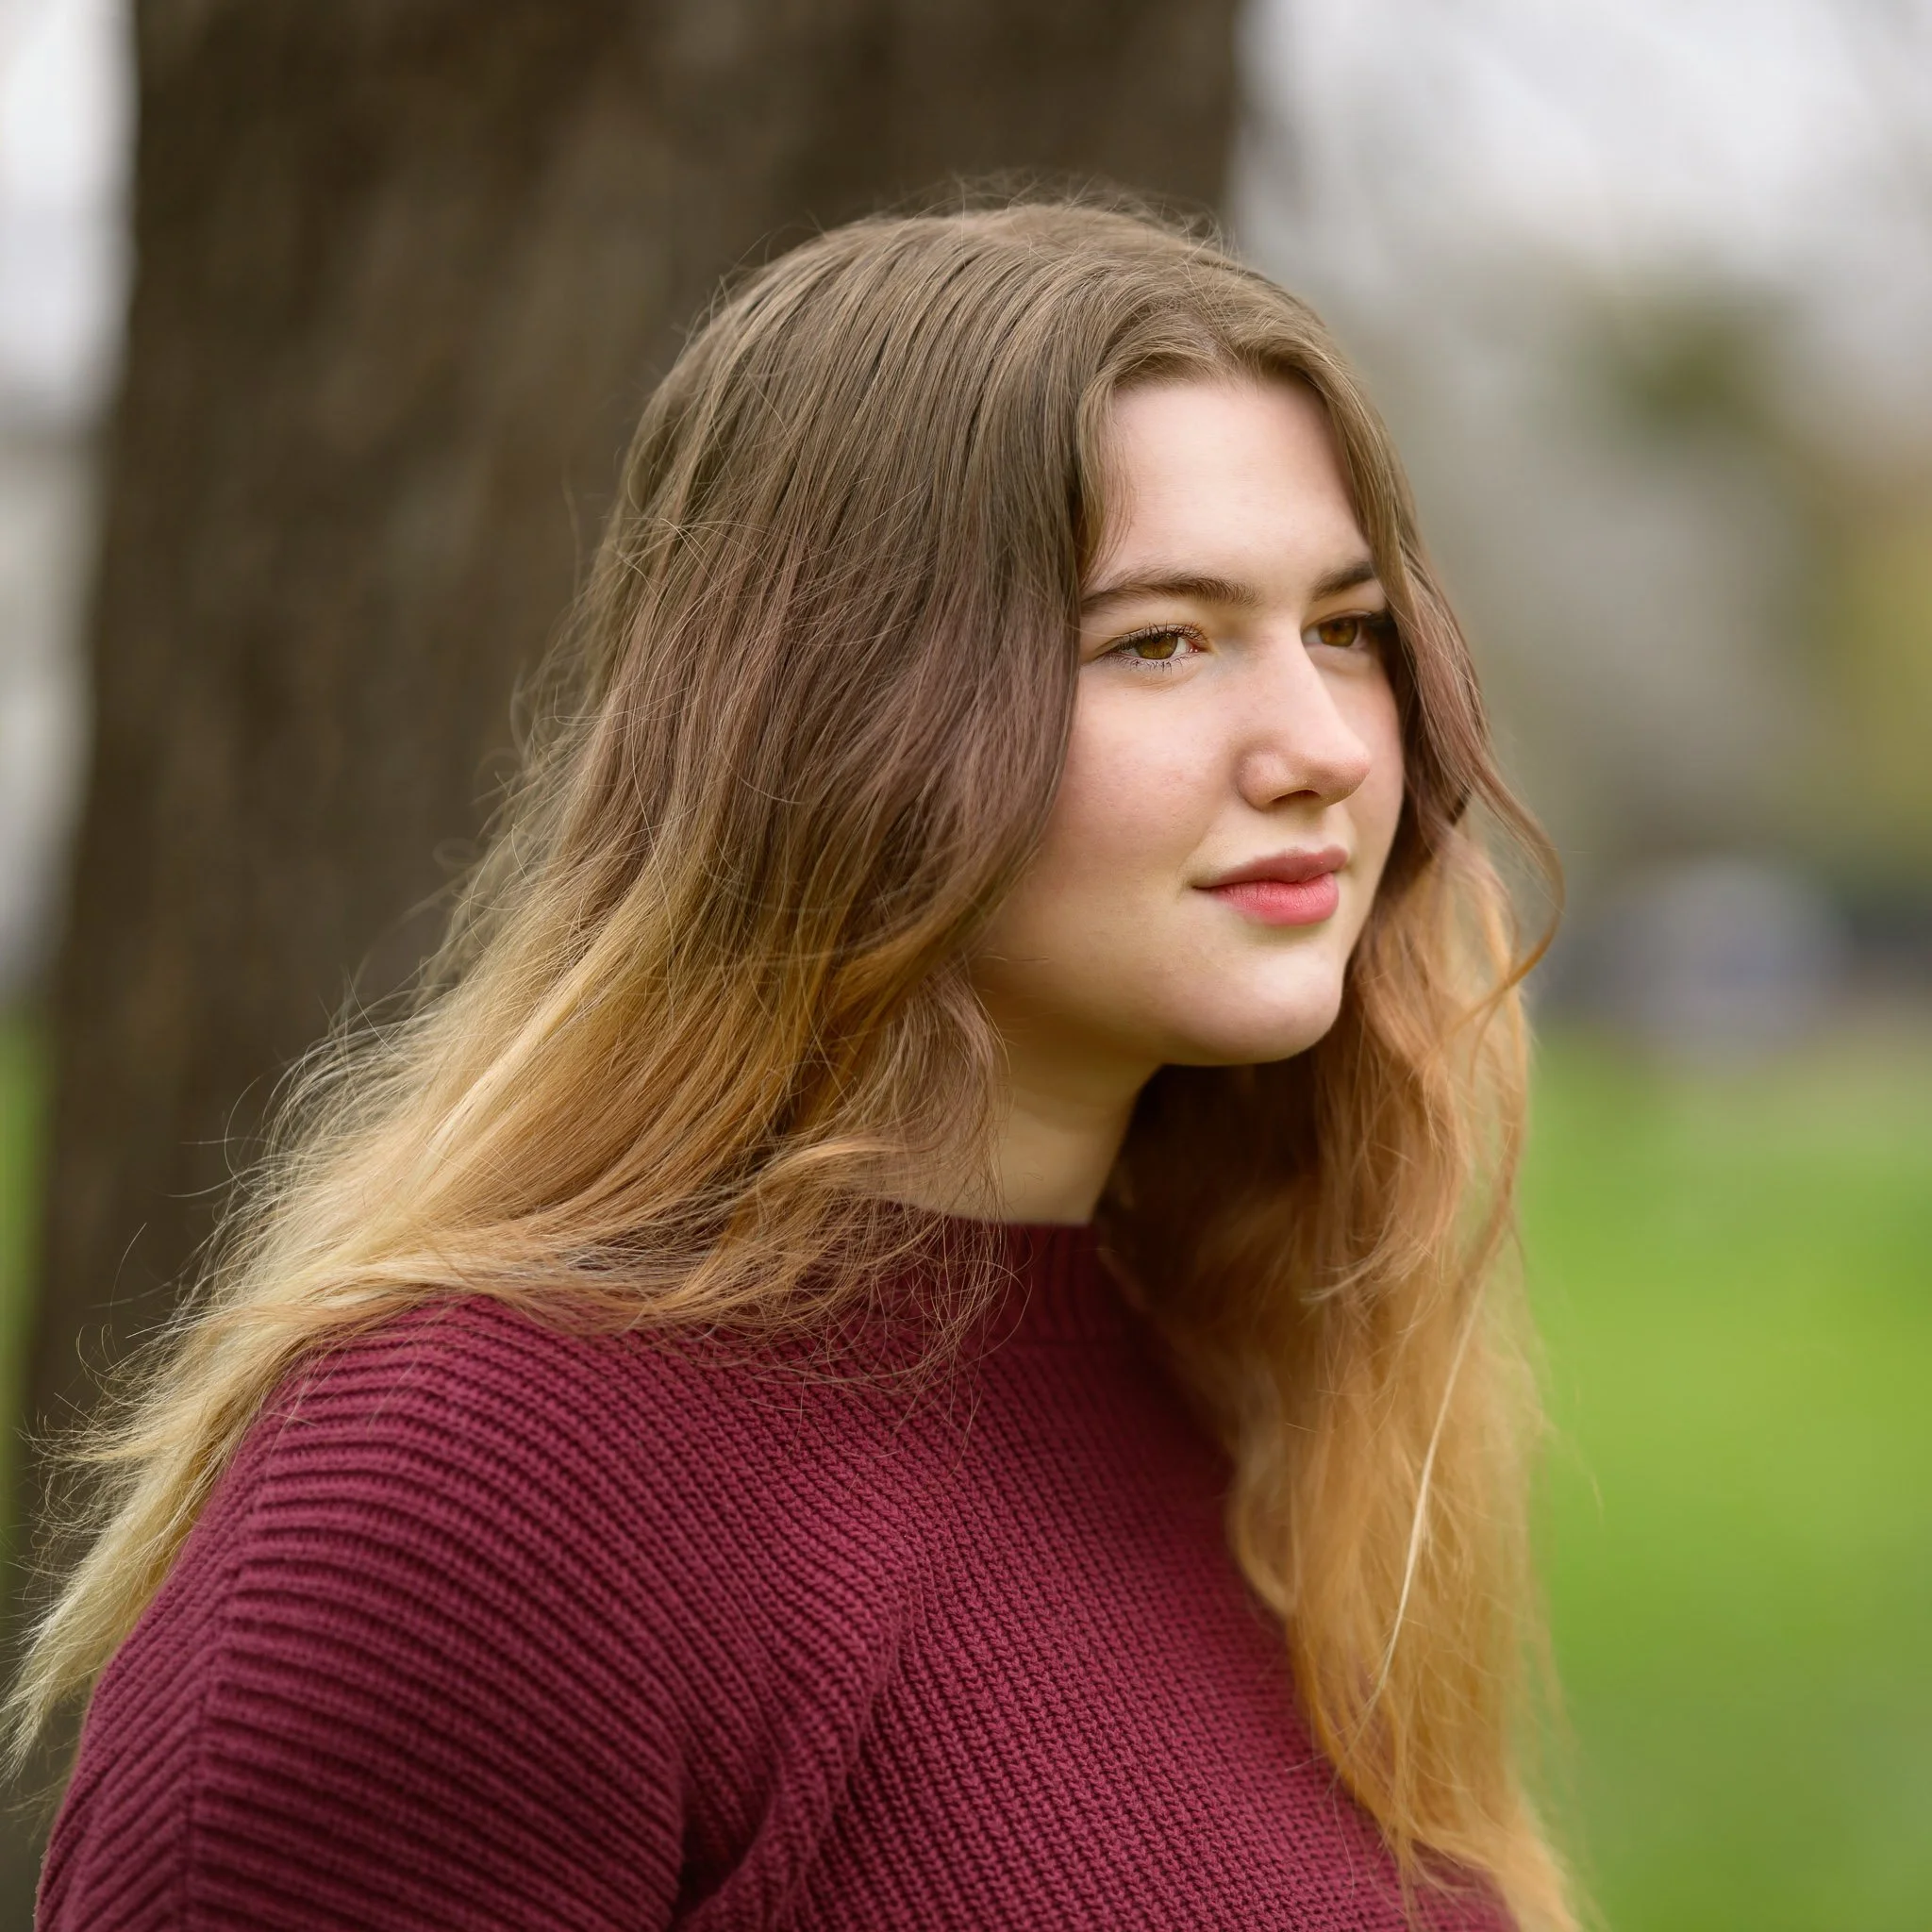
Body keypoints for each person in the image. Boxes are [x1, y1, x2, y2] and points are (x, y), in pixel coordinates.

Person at [9, 194, 1574, 1929]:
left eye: (1344, 628)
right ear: (833, 719)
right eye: (1160, 641)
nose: (1323, 748)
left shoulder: (1236, 1377)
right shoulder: (473, 1495)